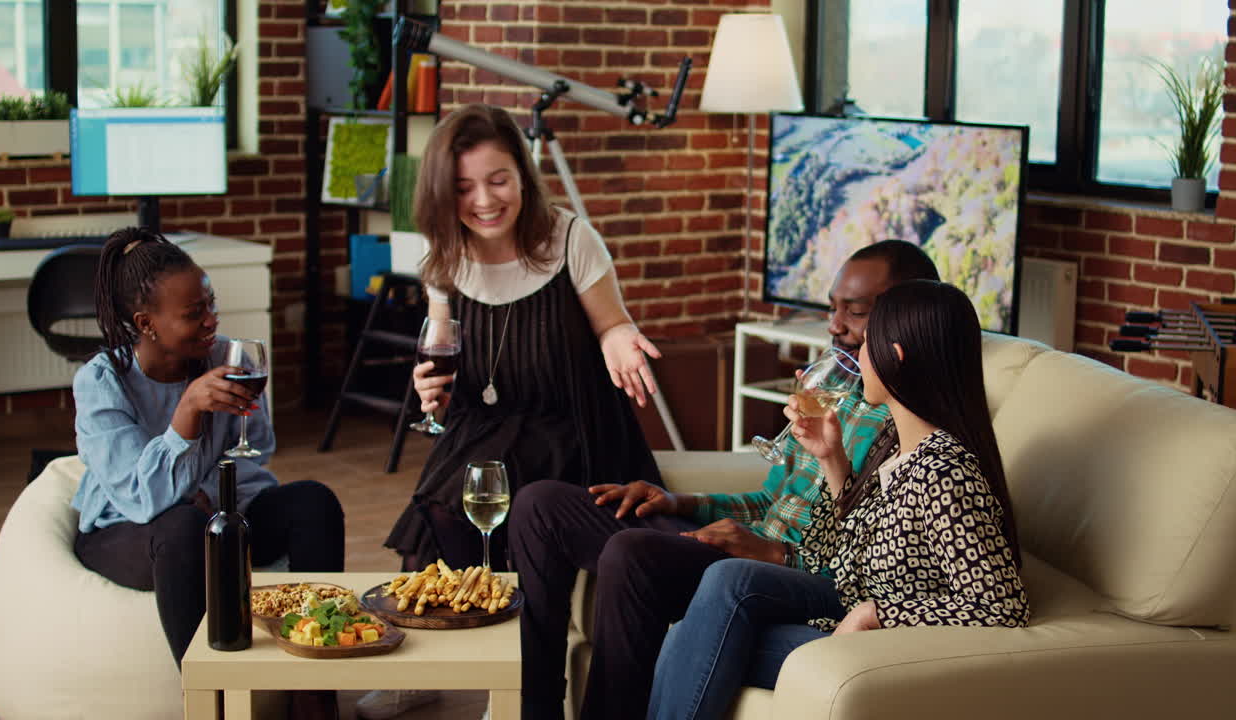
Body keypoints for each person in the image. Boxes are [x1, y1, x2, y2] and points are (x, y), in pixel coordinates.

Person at [507, 241, 941, 720]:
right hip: (748, 545)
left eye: (854, 312)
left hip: (779, 573)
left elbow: (864, 556)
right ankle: (536, 707)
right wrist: (681, 502)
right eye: (832, 308)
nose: (835, 325)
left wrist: (773, 551)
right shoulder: (832, 387)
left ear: (905, 316)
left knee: (633, 554)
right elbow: (769, 502)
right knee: (541, 505)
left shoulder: (905, 427)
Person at [646, 280, 1030, 720]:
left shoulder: (943, 471)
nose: (858, 358)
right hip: (851, 614)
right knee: (710, 605)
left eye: (867, 345)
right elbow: (842, 559)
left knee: (704, 621)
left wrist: (880, 613)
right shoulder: (900, 449)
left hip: (889, 647)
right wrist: (833, 462)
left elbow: (1002, 606)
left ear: (895, 357)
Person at [72, 227, 345, 717]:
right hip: (127, 530)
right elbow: (140, 497)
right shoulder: (102, 381)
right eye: (194, 313)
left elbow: (255, 450)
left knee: (313, 502)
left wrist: (216, 483)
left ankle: (314, 696)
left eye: (210, 304)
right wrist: (187, 413)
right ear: (146, 322)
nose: (211, 322)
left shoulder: (224, 360)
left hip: (215, 514)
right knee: (183, 527)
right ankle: (212, 702)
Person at [383, 103, 662, 572]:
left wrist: (619, 337)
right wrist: (433, 391)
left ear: (523, 176)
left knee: (462, 503)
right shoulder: (444, 255)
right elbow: (442, 350)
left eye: (498, 180)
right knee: (436, 517)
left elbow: (612, 324)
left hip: (572, 428)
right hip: (485, 428)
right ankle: (472, 631)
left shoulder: (572, 238)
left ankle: (493, 620)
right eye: (463, 188)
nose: (485, 201)